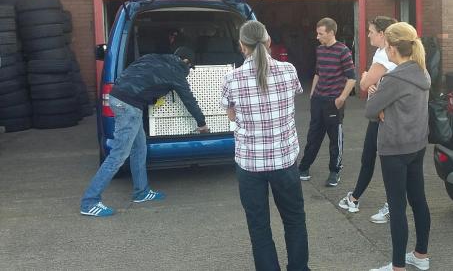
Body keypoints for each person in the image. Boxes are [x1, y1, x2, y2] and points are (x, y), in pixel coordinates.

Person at [221, 21, 309, 271]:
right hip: (284, 160)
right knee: (294, 220)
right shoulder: (289, 70)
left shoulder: (231, 78)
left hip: (250, 164)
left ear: (242, 46)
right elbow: (294, 95)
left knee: (259, 227)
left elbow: (231, 115)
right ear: (269, 42)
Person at [80, 47, 209, 217]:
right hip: (128, 106)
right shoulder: (176, 71)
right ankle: (90, 201)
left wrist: (151, 96)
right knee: (118, 155)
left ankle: (141, 192)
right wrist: (202, 124)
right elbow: (188, 99)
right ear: (185, 61)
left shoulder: (152, 56)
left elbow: (137, 76)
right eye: (189, 66)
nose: (188, 71)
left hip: (121, 98)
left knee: (139, 148)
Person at [366, 22, 431, 271]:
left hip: (394, 147)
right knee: (419, 200)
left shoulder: (393, 78)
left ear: (392, 48)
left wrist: (376, 97)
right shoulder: (422, 72)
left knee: (397, 205)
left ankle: (397, 267)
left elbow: (371, 111)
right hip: (417, 145)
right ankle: (421, 256)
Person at [337, 16, 397, 224]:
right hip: (378, 113)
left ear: (382, 34)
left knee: (389, 163)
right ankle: (354, 198)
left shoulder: (385, 55)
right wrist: (372, 80)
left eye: (371, 31)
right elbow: (373, 81)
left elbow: (363, 84)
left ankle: (393, 206)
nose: (368, 34)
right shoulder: (382, 52)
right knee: (368, 156)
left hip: (386, 116)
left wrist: (366, 77)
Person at [298, 17, 356, 187]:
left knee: (334, 137)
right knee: (313, 135)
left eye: (320, 34)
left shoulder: (343, 51)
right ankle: (303, 168)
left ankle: (334, 171)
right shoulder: (320, 50)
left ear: (331, 33)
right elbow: (318, 72)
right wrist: (313, 93)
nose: (317, 37)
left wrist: (341, 98)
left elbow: (352, 78)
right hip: (318, 99)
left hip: (334, 101)